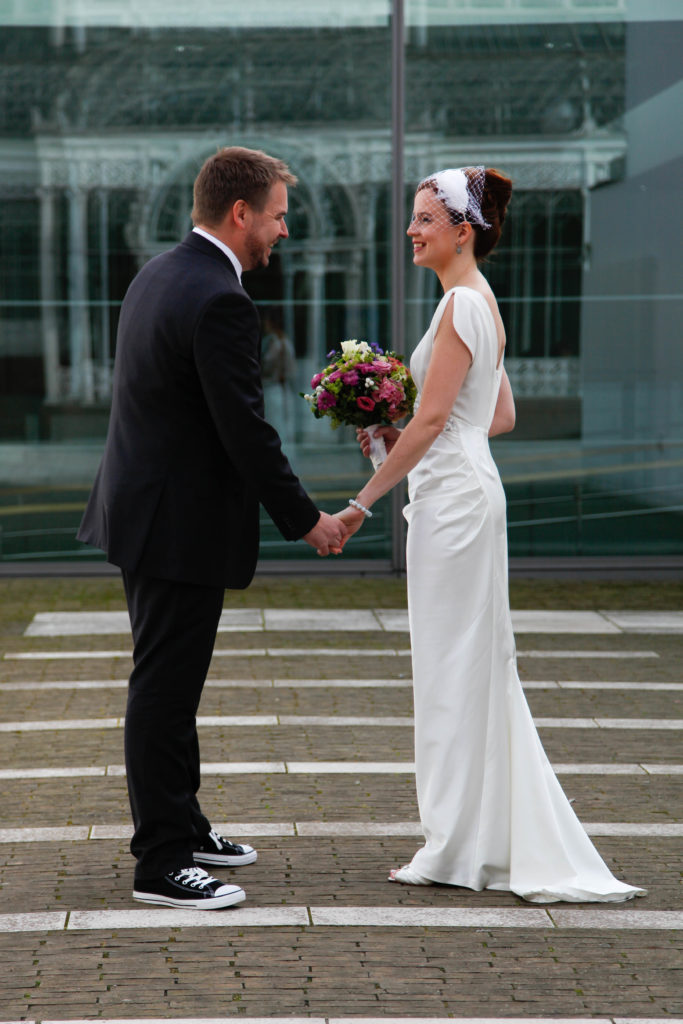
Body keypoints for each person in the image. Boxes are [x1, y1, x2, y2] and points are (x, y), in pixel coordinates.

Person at [337, 166, 645, 903]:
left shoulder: (457, 309)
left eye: (422, 220)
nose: (411, 231)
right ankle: (465, 838)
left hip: (454, 505)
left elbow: (440, 421)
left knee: (452, 674)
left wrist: (361, 501)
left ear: (460, 230)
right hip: (465, 494)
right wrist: (394, 434)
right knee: (465, 669)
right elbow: (493, 418)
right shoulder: (479, 305)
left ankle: (456, 846)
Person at [77, 146, 346, 910]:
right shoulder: (221, 300)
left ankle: (185, 827)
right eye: (277, 216)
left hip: (148, 514)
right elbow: (246, 432)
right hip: (174, 525)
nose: (283, 232)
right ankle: (161, 862)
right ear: (240, 214)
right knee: (163, 690)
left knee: (172, 683)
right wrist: (308, 523)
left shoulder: (159, 274)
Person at [260, 310, 297, 442]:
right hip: (281, 389)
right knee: (283, 427)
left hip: (273, 388)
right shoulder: (284, 342)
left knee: (277, 427)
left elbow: (267, 365)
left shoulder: (275, 343)